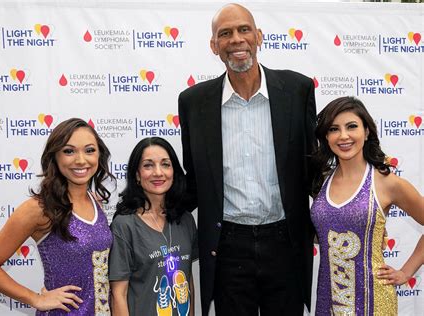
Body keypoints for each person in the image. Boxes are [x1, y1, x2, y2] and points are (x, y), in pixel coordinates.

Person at [178, 3, 317, 315]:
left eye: (244, 30)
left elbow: (313, 167)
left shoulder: (298, 90)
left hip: (286, 243)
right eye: (225, 33)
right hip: (227, 247)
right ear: (214, 46)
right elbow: (194, 182)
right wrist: (147, 208)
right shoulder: (193, 102)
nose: (236, 39)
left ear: (259, 36)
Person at [0, 118, 115, 315]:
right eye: (69, 151)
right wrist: (36, 299)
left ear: (99, 155)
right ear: (54, 157)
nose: (81, 160)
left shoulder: (95, 201)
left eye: (89, 150)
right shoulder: (39, 208)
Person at [310, 96, 424, 315]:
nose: (343, 136)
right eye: (334, 129)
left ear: (367, 131)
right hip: (329, 300)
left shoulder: (386, 181)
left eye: (352, 126)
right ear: (326, 136)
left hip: (374, 303)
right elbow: (323, 232)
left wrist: (406, 272)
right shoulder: (323, 180)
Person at [109, 137, 197, 316]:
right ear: (137, 175)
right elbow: (118, 294)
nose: (158, 172)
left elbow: (187, 279)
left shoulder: (186, 219)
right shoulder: (124, 225)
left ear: (174, 171)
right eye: (148, 165)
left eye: (165, 164)